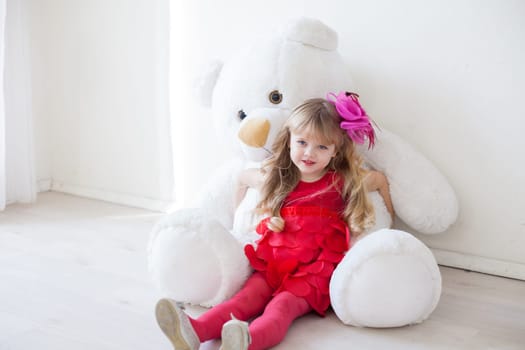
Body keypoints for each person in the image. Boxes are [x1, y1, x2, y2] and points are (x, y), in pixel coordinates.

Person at [155, 92, 394, 350]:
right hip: (275, 262)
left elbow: (379, 180)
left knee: (281, 308)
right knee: (243, 300)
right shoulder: (280, 179)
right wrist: (240, 220)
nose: (309, 153)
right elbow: (243, 178)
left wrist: (390, 219)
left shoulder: (341, 182)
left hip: (315, 270)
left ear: (335, 152)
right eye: (302, 142)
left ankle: (247, 342)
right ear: (289, 140)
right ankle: (194, 331)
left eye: (322, 147)